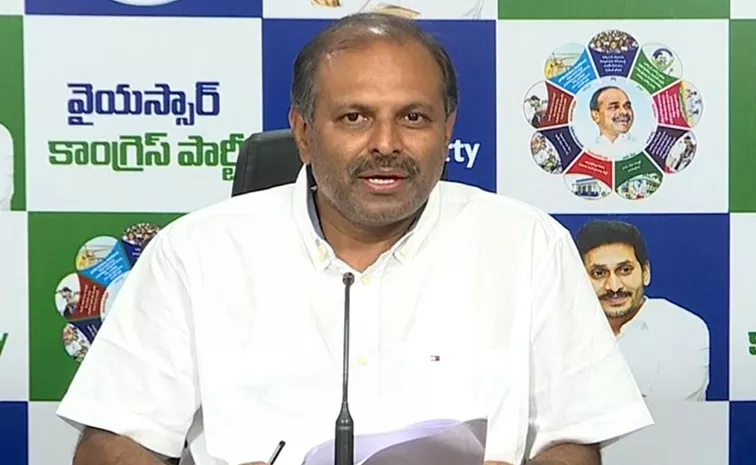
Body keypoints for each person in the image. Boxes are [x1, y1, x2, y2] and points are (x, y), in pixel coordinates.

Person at [57, 12, 653, 465]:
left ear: (447, 129)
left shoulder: (528, 246)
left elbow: (573, 441)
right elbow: (115, 443)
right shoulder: (195, 255)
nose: (386, 144)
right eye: (354, 117)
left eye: (414, 117)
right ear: (303, 132)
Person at [575, 219, 710, 401]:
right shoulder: (558, 329)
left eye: (625, 270)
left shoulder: (684, 328)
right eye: (599, 273)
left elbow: (667, 410)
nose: (614, 286)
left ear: (645, 273)